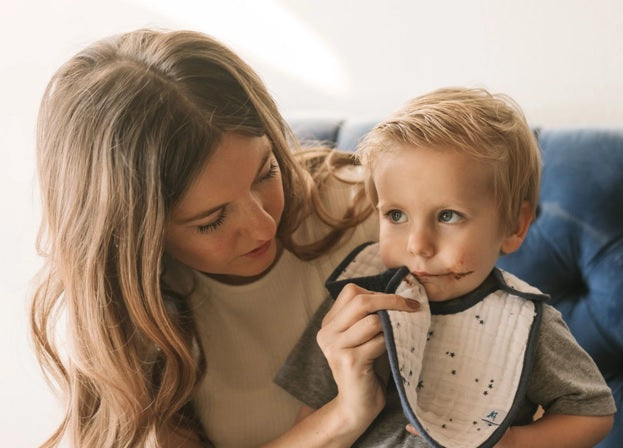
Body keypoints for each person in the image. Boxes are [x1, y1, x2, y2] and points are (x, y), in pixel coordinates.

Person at [30, 29, 424, 448]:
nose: (263, 226)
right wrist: (342, 418)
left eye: (267, 172)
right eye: (211, 220)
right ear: (136, 239)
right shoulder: (127, 324)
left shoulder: (378, 213)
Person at [277, 87, 616, 447]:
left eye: (448, 215)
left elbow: (592, 413)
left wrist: (514, 442)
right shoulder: (355, 301)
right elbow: (313, 419)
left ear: (515, 227)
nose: (418, 245)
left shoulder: (528, 321)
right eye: (396, 215)